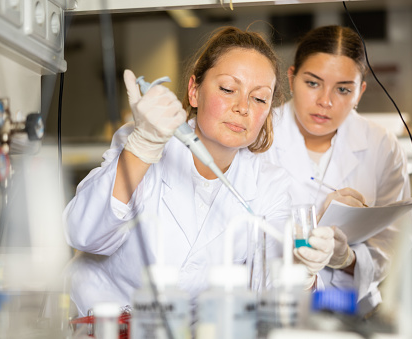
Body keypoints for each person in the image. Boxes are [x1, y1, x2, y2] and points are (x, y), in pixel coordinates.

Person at [62, 26, 334, 316]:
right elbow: (83, 233)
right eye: (228, 89)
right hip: (96, 319)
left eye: (259, 98)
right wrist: (142, 147)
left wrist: (302, 271)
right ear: (194, 91)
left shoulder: (269, 184)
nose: (243, 107)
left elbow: (269, 292)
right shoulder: (145, 140)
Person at [263, 25, 412, 316]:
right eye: (313, 83)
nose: (326, 101)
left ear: (360, 92)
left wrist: (345, 257)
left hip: (354, 312)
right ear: (292, 78)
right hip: (278, 306)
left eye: (343, 89)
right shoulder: (261, 134)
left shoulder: (381, 145)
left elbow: (393, 242)